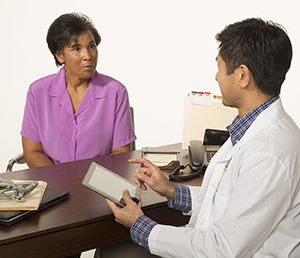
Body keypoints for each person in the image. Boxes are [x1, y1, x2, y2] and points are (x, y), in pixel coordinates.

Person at [99, 18, 300, 257]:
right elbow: (225, 201)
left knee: (114, 253)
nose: (216, 77)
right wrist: (170, 190)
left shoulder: (269, 152)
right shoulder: (252, 129)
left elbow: (221, 248)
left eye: (219, 66)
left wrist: (139, 225)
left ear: (243, 76)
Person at [21, 13, 136, 168]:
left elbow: (120, 153)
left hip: (98, 183)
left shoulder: (116, 92)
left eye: (92, 46)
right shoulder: (38, 92)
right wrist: (60, 182)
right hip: (53, 183)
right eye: (76, 49)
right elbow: (33, 151)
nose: (87, 56)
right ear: (60, 55)